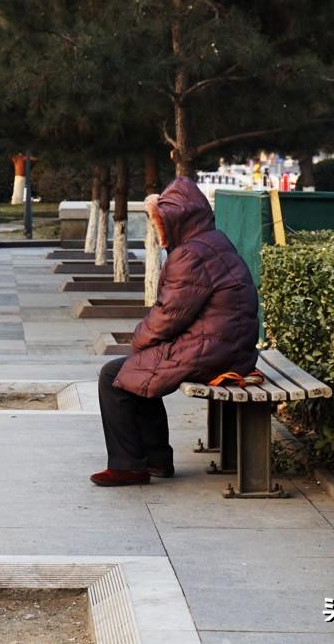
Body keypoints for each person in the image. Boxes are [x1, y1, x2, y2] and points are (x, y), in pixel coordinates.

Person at [90, 175, 261, 487]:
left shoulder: (190, 254)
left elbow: (169, 315)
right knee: (140, 371)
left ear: (176, 219)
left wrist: (139, 341)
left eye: (160, 221)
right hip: (230, 348)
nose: (158, 230)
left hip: (217, 352)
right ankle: (156, 459)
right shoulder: (212, 240)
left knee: (114, 376)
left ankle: (129, 466)